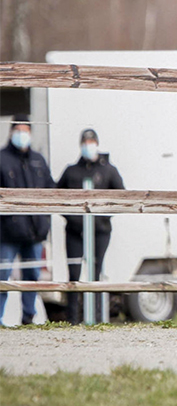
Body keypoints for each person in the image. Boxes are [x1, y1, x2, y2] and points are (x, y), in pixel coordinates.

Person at [57, 128, 123, 324]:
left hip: (100, 231)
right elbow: (56, 197)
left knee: (96, 271)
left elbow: (122, 197)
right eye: (85, 142)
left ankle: (98, 317)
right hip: (75, 232)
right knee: (74, 274)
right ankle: (73, 319)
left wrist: (103, 217)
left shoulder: (108, 170)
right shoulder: (71, 171)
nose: (88, 145)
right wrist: (72, 218)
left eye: (91, 142)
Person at [0, 114, 54, 325]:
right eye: (18, 130)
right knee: (2, 276)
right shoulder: (2, 159)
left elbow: (51, 189)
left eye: (25, 130)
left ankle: (28, 316)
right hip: (7, 232)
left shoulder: (38, 160)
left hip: (34, 231)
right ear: (12, 131)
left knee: (32, 275)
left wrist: (44, 221)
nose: (22, 135)